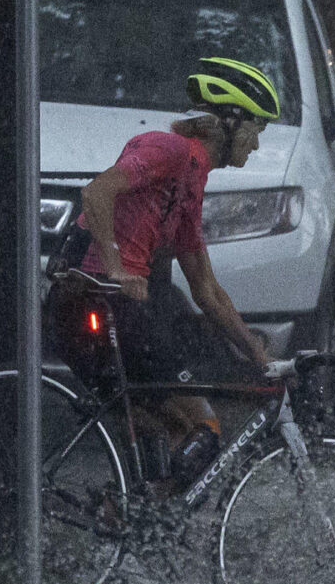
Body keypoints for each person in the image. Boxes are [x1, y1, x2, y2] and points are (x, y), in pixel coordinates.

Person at [66, 56, 281, 486]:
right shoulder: (171, 150)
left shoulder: (191, 179)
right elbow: (97, 192)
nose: (256, 145)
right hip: (101, 305)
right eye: (256, 130)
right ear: (229, 121)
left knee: (172, 439)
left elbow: (206, 289)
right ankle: (140, 533)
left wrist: (257, 354)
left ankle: (134, 533)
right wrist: (115, 268)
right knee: (203, 427)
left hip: (111, 313)